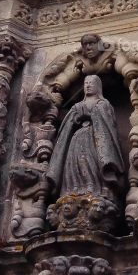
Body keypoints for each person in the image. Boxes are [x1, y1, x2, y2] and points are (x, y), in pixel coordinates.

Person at [47, 75, 124, 204]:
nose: (87, 86)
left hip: (94, 139)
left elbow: (109, 125)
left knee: (90, 162)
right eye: (86, 83)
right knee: (74, 163)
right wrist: (75, 118)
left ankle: (95, 188)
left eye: (91, 83)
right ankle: (72, 189)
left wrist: (89, 114)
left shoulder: (103, 104)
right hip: (77, 139)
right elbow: (67, 125)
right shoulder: (77, 106)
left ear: (98, 87)